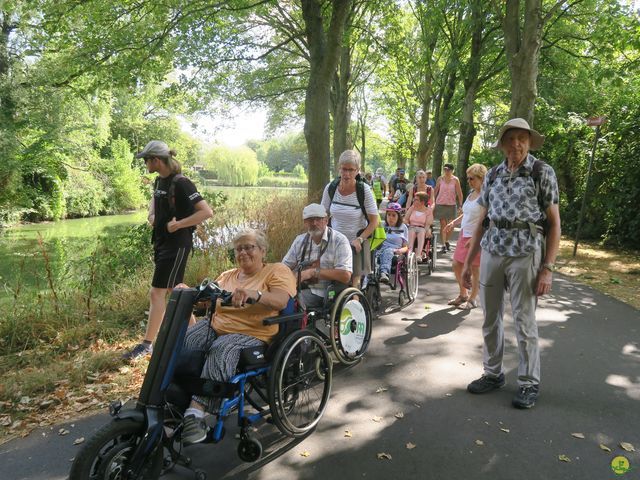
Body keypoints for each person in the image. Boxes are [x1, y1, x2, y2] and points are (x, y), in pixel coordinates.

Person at [462, 118, 561, 409]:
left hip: (526, 253)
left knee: (524, 320)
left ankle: (529, 383)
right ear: (503, 145)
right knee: (489, 316)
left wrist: (548, 268)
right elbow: (482, 221)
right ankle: (493, 374)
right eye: (511, 139)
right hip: (493, 251)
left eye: (522, 138)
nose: (516, 144)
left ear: (529, 142)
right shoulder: (492, 175)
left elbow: (555, 224)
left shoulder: (541, 172)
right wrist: (468, 262)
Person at [179, 229, 297, 444]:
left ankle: (196, 414)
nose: (243, 252)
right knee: (182, 342)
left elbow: (280, 300)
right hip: (215, 326)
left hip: (252, 332)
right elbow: (207, 301)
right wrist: (189, 292)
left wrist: (255, 294)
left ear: (262, 250)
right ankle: (175, 400)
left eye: (249, 247)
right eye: (238, 248)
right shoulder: (228, 275)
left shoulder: (276, 271)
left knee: (223, 348)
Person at [123, 140, 213, 360]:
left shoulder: (182, 183)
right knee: (176, 291)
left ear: (156, 160)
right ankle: (196, 336)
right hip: (162, 242)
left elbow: (206, 212)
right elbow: (154, 204)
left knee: (157, 293)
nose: (145, 163)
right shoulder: (158, 181)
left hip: (177, 244)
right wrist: (152, 215)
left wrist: (179, 224)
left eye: (146, 160)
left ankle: (147, 344)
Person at [321, 150, 379, 285]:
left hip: (357, 242)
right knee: (331, 279)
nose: (346, 174)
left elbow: (374, 221)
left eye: (351, 170)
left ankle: (355, 300)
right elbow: (323, 215)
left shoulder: (364, 190)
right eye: (344, 169)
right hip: (334, 241)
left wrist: (360, 239)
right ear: (339, 168)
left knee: (354, 279)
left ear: (358, 170)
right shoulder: (331, 188)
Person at [282, 203, 352, 309]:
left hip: (327, 292)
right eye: (310, 220)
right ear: (305, 223)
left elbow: (345, 276)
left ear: (326, 220)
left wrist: (313, 272)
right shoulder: (299, 241)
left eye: (318, 219)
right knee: (273, 298)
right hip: (299, 287)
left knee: (287, 302)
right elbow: (284, 267)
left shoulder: (339, 240)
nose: (314, 223)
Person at [444, 163, 487, 310]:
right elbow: (466, 213)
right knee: (456, 264)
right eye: (468, 178)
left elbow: (486, 220)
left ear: (482, 178)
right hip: (464, 234)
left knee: (475, 269)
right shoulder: (471, 193)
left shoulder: (486, 196)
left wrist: (476, 238)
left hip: (476, 237)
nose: (468, 181)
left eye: (472, 178)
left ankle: (472, 299)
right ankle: (463, 294)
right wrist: (454, 223)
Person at [434, 163, 463, 254]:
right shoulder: (440, 179)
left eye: (448, 170)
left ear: (452, 171)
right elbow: (435, 191)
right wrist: (432, 203)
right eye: (445, 169)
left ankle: (446, 241)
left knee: (451, 225)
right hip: (440, 204)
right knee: (443, 224)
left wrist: (460, 205)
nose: (446, 171)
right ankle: (443, 245)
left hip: (451, 205)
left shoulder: (455, 180)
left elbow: (459, 193)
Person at [377, 202, 408, 284]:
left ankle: (384, 273)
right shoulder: (382, 225)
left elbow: (406, 247)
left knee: (388, 251)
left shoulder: (403, 227)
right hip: (380, 249)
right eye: (389, 215)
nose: (390, 218)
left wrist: (401, 250)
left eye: (393, 215)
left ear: (398, 216)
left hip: (395, 252)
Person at [404, 191, 434, 262]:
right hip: (411, 227)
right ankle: (410, 252)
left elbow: (428, 224)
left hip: (422, 228)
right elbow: (405, 219)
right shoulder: (412, 208)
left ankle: (418, 255)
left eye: (416, 199)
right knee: (411, 232)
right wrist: (406, 224)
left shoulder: (428, 211)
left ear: (422, 202)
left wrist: (427, 230)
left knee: (422, 232)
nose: (414, 200)